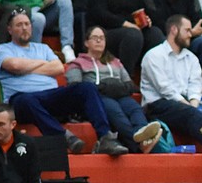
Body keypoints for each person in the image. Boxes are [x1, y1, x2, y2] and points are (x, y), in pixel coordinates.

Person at [0, 9, 129, 156]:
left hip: (50, 96)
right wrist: (42, 64)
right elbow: (14, 66)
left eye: (27, 24)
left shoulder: (43, 48)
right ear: (10, 29)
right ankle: (64, 137)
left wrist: (26, 68)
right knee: (27, 99)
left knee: (86, 88)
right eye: (19, 25)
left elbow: (58, 68)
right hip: (21, 101)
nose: (24, 28)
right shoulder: (3, 49)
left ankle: (105, 137)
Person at [141, 14, 202, 170]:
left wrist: (193, 101)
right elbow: (164, 88)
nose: (190, 34)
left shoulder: (191, 58)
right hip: (158, 105)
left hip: (186, 102)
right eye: (187, 30)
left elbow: (196, 83)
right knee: (192, 113)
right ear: (174, 30)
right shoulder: (153, 56)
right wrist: (189, 105)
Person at [65, 25, 153, 153]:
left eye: (102, 38)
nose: (99, 41)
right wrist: (103, 88)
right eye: (95, 38)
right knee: (117, 113)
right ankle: (137, 145)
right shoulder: (77, 63)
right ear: (86, 42)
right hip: (98, 97)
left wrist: (115, 87)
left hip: (120, 95)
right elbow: (75, 88)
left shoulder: (115, 62)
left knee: (135, 109)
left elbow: (129, 84)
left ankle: (144, 138)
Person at [85, 0, 165, 73]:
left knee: (155, 32)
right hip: (105, 33)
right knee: (133, 34)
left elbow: (139, 16)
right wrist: (126, 24)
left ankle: (156, 75)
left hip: (132, 35)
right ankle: (126, 76)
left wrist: (145, 21)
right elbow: (100, 14)